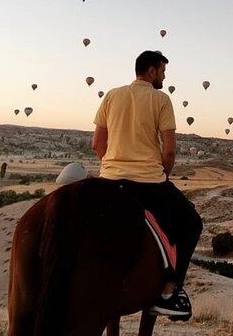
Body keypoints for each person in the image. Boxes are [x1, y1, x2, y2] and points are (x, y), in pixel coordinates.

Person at [92, 50, 203, 320]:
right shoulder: (161, 99)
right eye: (163, 71)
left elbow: (97, 144)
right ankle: (169, 290)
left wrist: (111, 167)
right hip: (147, 182)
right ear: (151, 71)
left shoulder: (111, 95)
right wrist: (162, 175)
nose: (164, 77)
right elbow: (170, 152)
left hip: (109, 181)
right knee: (191, 224)